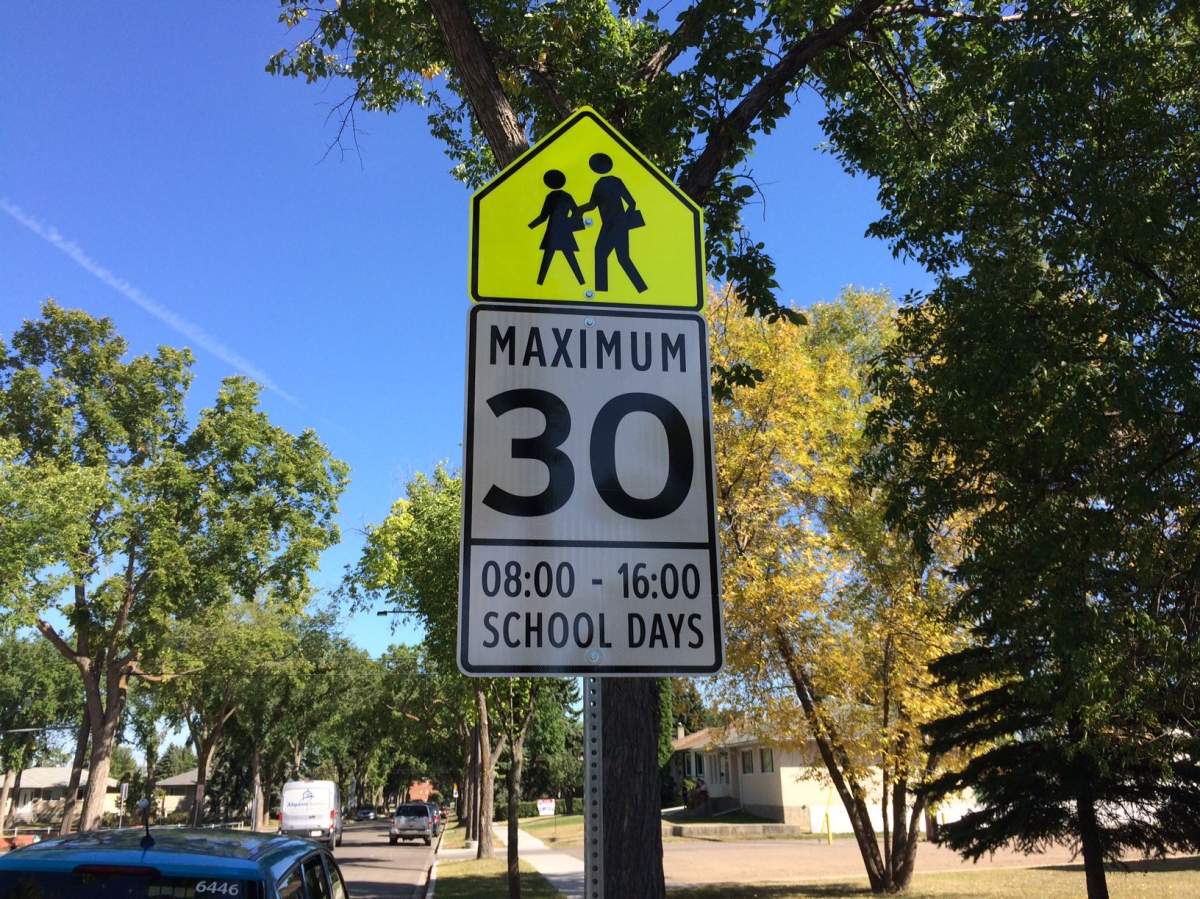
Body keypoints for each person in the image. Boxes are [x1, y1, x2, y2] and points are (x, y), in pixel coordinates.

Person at [577, 152, 648, 293]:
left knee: (601, 254)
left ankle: (601, 291)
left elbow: (591, 205)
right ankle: (642, 289)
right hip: (617, 226)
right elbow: (631, 203)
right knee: (623, 258)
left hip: (610, 227)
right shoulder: (612, 181)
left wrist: (578, 210)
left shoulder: (602, 184)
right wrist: (624, 221)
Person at [528, 169, 585, 285]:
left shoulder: (551, 196)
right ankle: (582, 282)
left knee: (548, 259)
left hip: (553, 231)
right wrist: (569, 222)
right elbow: (577, 212)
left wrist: (530, 227)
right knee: (570, 257)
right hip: (563, 230)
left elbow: (543, 217)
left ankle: (539, 284)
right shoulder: (567, 196)